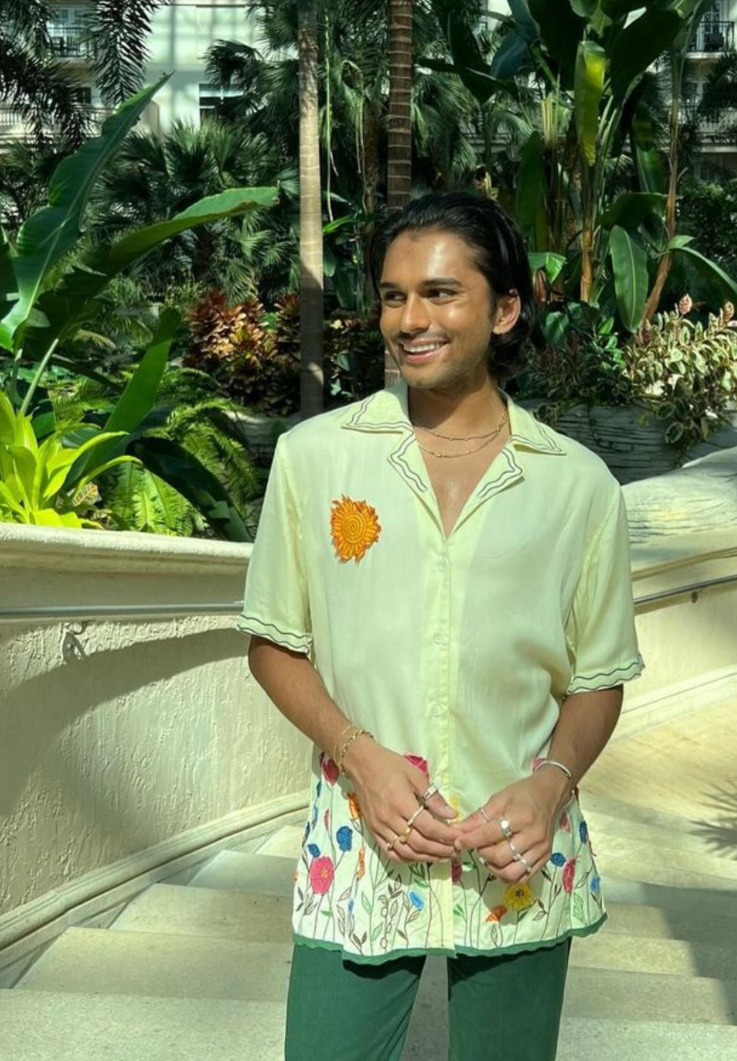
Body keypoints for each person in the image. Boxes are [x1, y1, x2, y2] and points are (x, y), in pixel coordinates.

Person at [238, 191, 643, 1061]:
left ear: (504, 310)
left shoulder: (577, 485)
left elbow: (599, 676)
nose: (410, 320)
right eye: (393, 296)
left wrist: (549, 787)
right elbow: (273, 645)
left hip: (517, 846)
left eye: (439, 293)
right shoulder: (315, 458)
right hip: (360, 836)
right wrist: (359, 757)